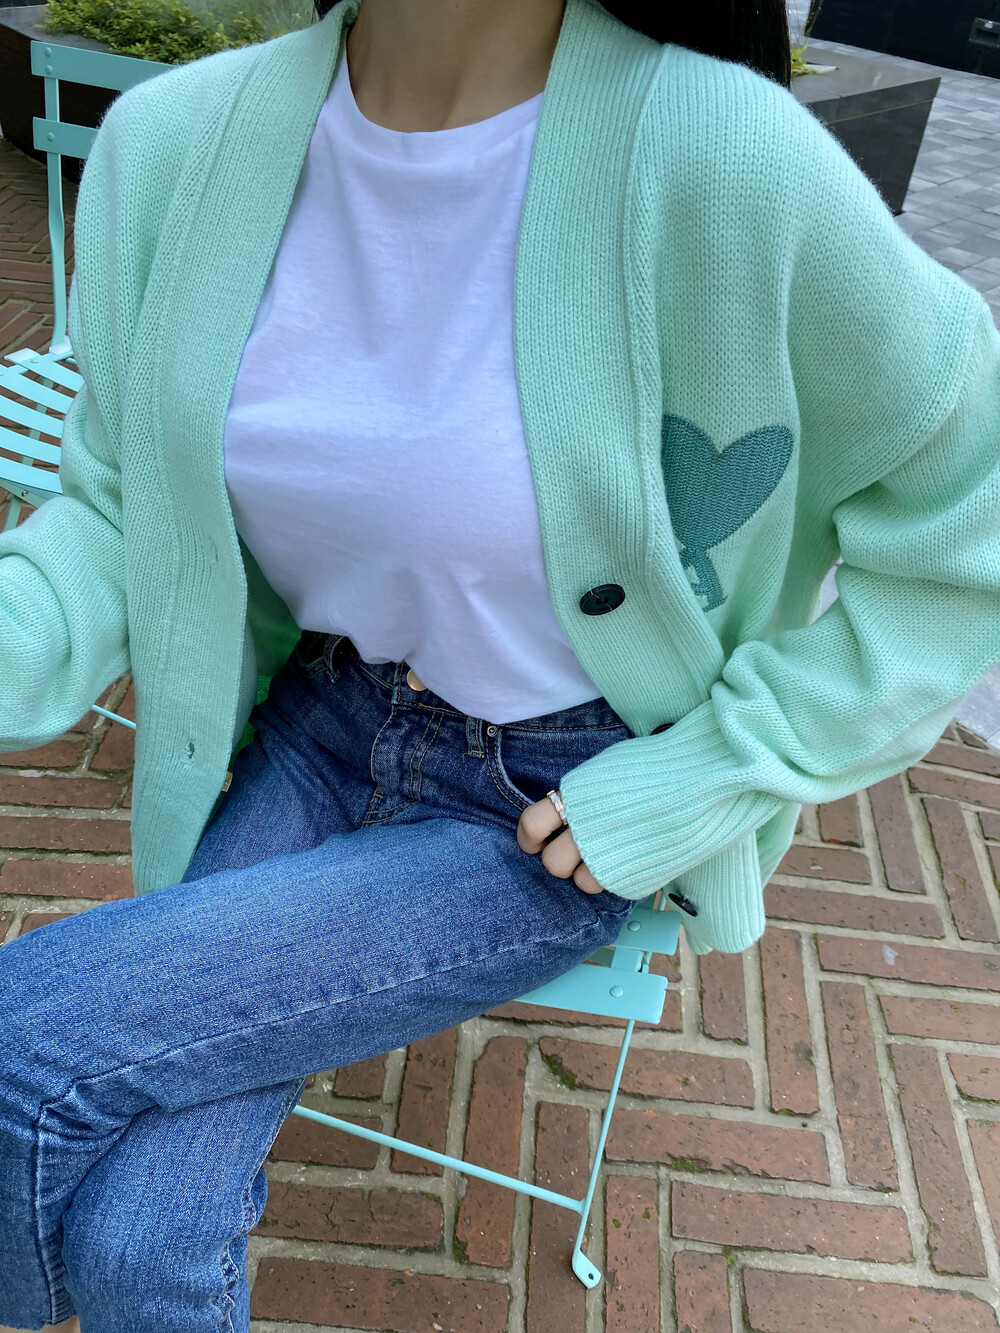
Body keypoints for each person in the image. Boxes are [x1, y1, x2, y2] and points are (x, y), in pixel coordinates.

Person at [2, 0, 999, 1327]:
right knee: (140, 1239)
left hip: (553, 807)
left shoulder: (726, 159)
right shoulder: (177, 144)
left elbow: (969, 507)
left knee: (24, 1038)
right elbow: (122, 507)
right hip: (326, 719)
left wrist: (717, 770)